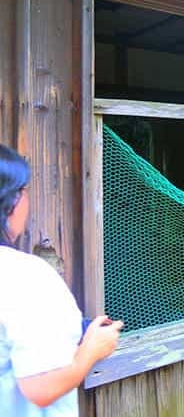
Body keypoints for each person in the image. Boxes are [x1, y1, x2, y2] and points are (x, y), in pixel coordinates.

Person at [0, 144, 123, 415]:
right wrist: (91, 350)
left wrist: (77, 330)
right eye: (23, 190)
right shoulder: (26, 275)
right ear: (10, 201)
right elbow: (39, 388)